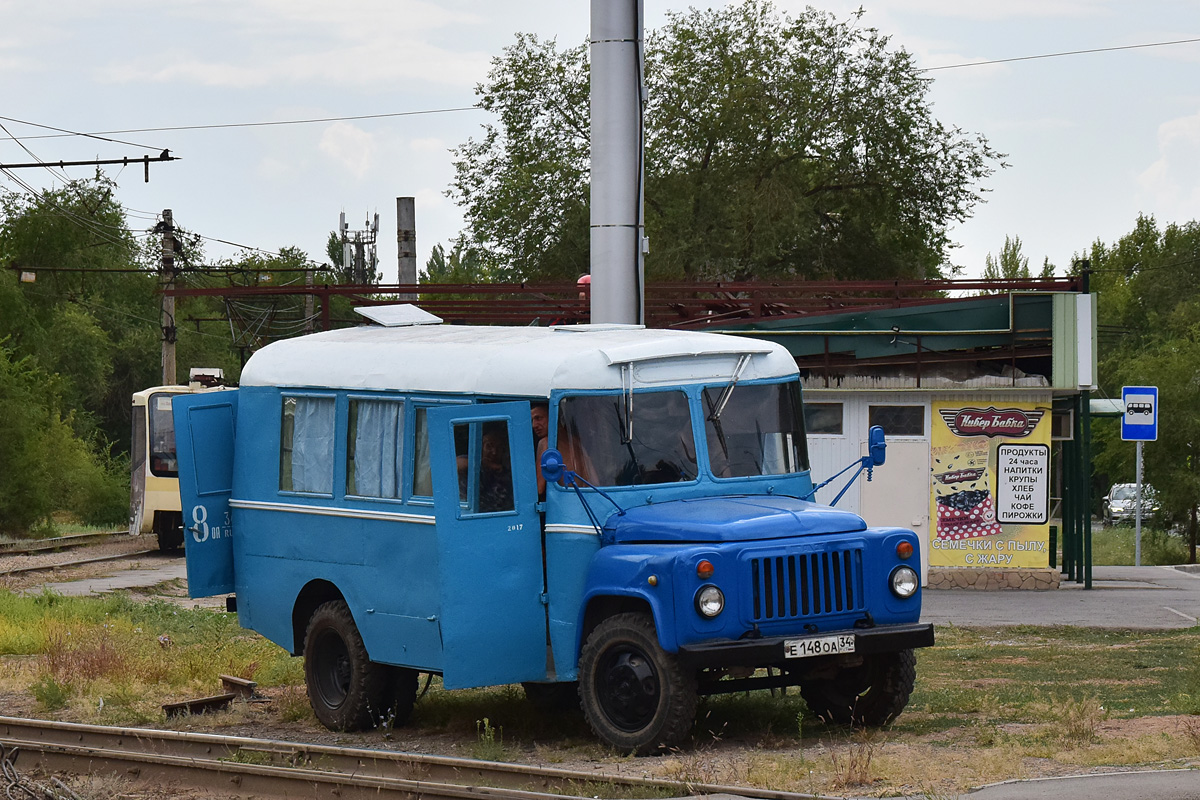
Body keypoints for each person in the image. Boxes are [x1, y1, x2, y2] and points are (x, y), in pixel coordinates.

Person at [531, 402, 550, 497]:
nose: (534, 425)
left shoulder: (545, 442)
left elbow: (538, 488)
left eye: (539, 418)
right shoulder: (577, 443)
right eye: (532, 420)